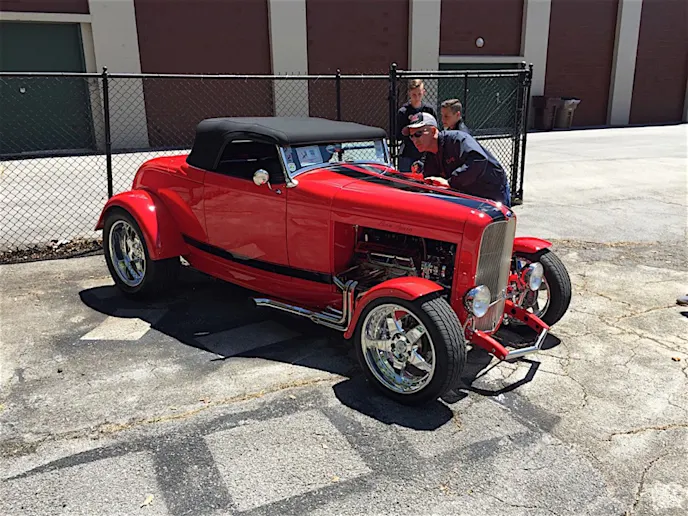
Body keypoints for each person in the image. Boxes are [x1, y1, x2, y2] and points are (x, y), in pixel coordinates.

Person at [403, 112, 511, 207]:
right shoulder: (429, 156)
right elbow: (432, 182)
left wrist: (450, 182)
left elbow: (478, 159)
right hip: (470, 196)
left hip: (492, 190)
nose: (414, 140)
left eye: (418, 134)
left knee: (499, 223)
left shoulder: (457, 139)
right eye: (411, 136)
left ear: (433, 131)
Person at [396, 79, 437, 172]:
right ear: (409, 93)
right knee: (406, 178)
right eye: (414, 94)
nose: (417, 97)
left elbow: (435, 130)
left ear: (424, 92)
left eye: (419, 94)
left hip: (426, 154)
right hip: (408, 153)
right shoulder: (403, 112)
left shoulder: (429, 110)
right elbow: (399, 134)